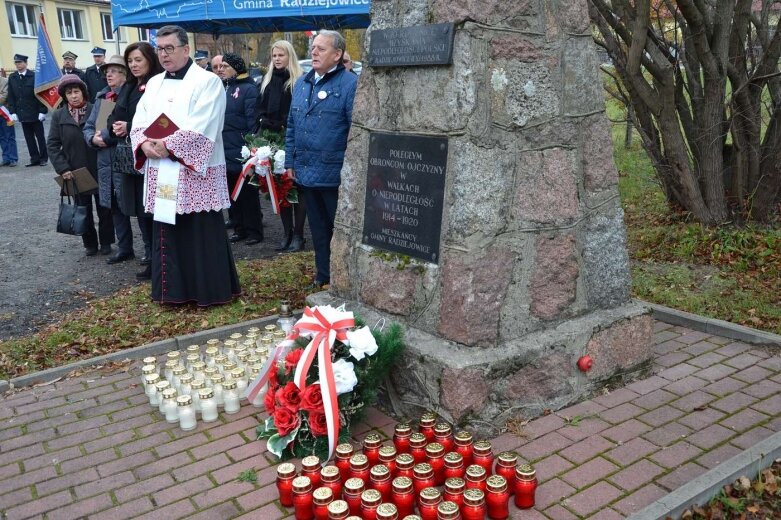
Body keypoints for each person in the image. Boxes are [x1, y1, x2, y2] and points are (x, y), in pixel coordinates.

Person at [131, 25, 240, 306]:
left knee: (199, 232)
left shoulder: (207, 82)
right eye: (160, 49)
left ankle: (208, 291)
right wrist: (143, 143)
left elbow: (205, 125)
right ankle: (173, 292)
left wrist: (168, 145)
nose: (164, 55)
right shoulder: (154, 83)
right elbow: (140, 119)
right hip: (161, 168)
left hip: (194, 173)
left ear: (185, 49)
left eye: (170, 48)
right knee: (169, 230)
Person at [285, 30, 357, 289]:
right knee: (316, 228)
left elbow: (354, 131)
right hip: (306, 170)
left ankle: (343, 279)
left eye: (321, 49)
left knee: (336, 228)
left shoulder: (349, 84)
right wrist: (290, 160)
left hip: (333, 172)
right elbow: (292, 124)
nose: (314, 52)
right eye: (313, 47)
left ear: (337, 55)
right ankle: (323, 276)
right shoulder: (304, 82)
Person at [106, 42, 162, 276]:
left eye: (138, 60)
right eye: (130, 61)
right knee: (138, 208)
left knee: (153, 209)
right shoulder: (126, 88)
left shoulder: (159, 84)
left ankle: (159, 258)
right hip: (129, 159)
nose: (134, 65)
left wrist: (131, 127)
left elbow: (164, 120)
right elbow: (111, 118)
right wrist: (111, 130)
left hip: (152, 156)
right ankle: (149, 254)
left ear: (150, 59)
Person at [47, 74, 114, 256]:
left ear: (83, 92)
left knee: (105, 209)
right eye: (69, 93)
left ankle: (107, 242)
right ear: (64, 96)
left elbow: (104, 138)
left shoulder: (96, 110)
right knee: (82, 209)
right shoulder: (59, 115)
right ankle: (89, 244)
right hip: (75, 172)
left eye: (76, 91)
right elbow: (52, 145)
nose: (73, 96)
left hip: (99, 169)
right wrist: (63, 168)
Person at [84, 55, 136, 268]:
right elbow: (90, 127)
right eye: (107, 71)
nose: (108, 74)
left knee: (135, 206)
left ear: (124, 74)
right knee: (114, 205)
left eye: (113, 71)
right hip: (106, 162)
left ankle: (151, 252)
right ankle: (125, 248)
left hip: (126, 160)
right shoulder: (104, 97)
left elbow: (122, 128)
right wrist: (93, 139)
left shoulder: (131, 95)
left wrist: (104, 137)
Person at [257, 40, 306, 252]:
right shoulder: (266, 81)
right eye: (274, 55)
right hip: (271, 138)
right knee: (280, 189)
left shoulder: (298, 81)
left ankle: (299, 234)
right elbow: (260, 108)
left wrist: (284, 124)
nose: (277, 59)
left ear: (290, 56)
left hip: (291, 138)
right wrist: (262, 123)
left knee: (295, 188)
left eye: (281, 55)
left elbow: (299, 112)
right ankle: (286, 232)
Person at [220, 53, 262, 245]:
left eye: (225, 66)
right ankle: (239, 228)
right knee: (232, 192)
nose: (221, 69)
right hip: (225, 148)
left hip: (242, 149)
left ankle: (254, 230)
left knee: (247, 193)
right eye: (219, 66)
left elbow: (252, 120)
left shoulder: (248, 89)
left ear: (236, 68)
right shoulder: (224, 87)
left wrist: (252, 147)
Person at [6, 54, 49, 167]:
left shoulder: (34, 76)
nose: (18, 65)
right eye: (16, 63)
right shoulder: (13, 77)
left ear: (26, 63)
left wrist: (42, 111)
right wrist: (13, 111)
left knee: (40, 137)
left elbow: (41, 94)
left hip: (35, 111)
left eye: (20, 62)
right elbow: (11, 96)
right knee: (29, 138)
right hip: (22, 112)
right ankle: (34, 158)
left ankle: (43, 158)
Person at [0, 75, 19, 166]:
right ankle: (6, 158)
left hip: (6, 113)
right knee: (1, 137)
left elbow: (4, 96)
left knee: (10, 136)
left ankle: (13, 158)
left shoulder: (5, 81)